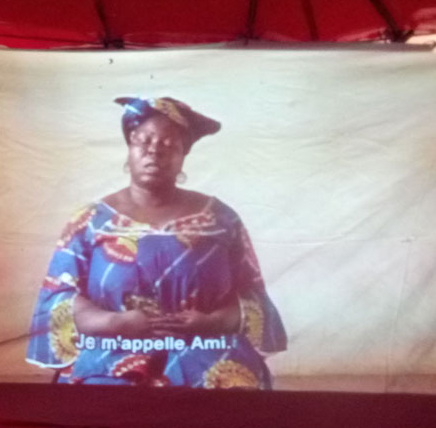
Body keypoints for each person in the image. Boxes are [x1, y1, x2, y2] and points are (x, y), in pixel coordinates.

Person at [26, 96, 286, 388]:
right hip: (111, 353)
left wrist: (211, 322)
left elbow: (252, 297)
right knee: (101, 398)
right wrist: (115, 323)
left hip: (208, 351)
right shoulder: (91, 220)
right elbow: (59, 299)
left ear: (183, 155)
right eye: (144, 141)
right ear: (129, 148)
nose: (154, 151)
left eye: (169, 144)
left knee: (230, 395)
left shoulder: (221, 218)